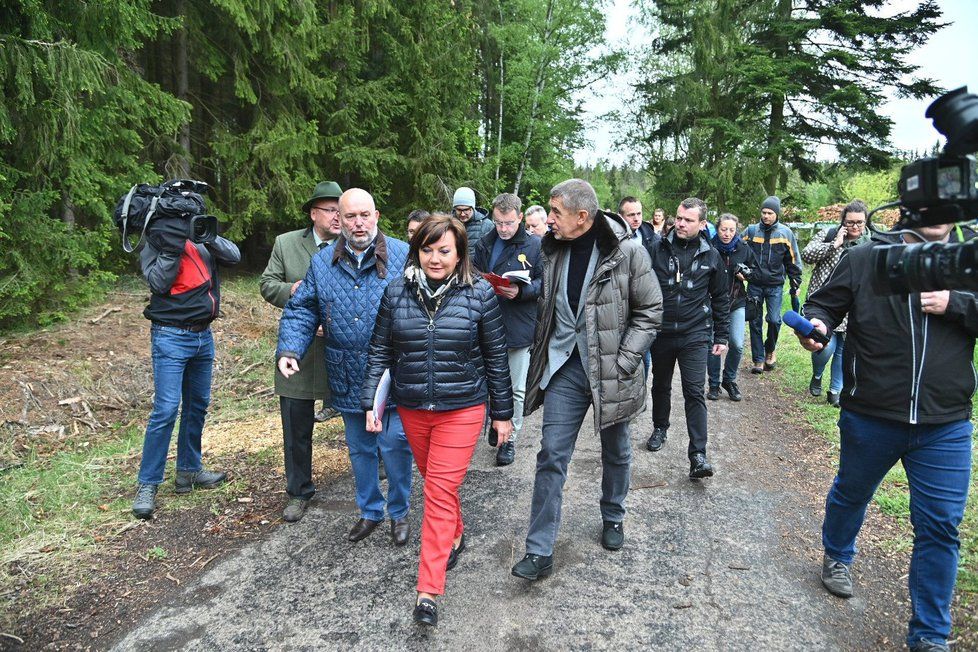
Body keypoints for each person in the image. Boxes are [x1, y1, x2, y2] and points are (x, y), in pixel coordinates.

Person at [798, 221, 976, 652]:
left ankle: (930, 636)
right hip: (871, 415)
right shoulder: (864, 259)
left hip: (945, 423)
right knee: (852, 492)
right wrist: (815, 329)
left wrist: (957, 304)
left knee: (940, 527)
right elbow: (822, 305)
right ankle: (837, 553)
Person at [361, 214, 513, 627]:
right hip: (412, 407)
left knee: (438, 491)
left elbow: (497, 359)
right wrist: (370, 403)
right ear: (417, 250)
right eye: (427, 249)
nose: (435, 258)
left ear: (460, 252)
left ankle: (428, 589)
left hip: (462, 408)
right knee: (438, 485)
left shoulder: (480, 293)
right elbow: (379, 352)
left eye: (444, 250)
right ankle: (457, 531)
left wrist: (502, 415)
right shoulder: (396, 293)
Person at [511, 179, 662, 582]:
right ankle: (539, 549)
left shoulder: (627, 250)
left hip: (611, 370)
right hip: (565, 368)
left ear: (582, 216)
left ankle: (613, 516)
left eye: (555, 212)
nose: (548, 220)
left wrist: (626, 359)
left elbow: (651, 309)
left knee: (616, 449)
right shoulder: (553, 248)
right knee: (551, 456)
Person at [276, 188, 414, 545]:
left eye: (364, 215)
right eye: (350, 216)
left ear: (377, 216)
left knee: (395, 444)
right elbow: (303, 308)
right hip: (347, 370)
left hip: (392, 372)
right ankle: (370, 511)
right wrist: (291, 347)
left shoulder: (402, 255)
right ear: (339, 218)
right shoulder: (323, 263)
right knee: (359, 446)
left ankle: (399, 512)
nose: (357, 223)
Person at [131, 215, 241, 519]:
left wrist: (208, 236)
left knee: (198, 406)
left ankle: (189, 471)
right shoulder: (156, 239)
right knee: (166, 409)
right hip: (170, 336)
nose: (184, 222)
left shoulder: (201, 237)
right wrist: (172, 247)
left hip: (203, 336)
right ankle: (148, 484)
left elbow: (233, 256)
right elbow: (158, 282)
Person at [259, 181, 342, 522]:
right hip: (301, 350)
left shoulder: (355, 245)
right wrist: (290, 290)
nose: (338, 217)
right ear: (313, 214)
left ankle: (377, 473)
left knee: (365, 416)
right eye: (330, 210)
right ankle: (299, 491)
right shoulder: (287, 243)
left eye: (341, 210)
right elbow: (267, 284)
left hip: (342, 349)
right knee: (295, 422)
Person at [644, 198, 729, 479]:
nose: (680, 223)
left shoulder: (711, 255)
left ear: (702, 224)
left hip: (695, 333)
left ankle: (698, 455)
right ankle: (660, 427)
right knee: (661, 384)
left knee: (694, 391)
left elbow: (720, 298)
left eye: (688, 220)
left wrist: (722, 335)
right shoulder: (655, 248)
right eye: (679, 218)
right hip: (662, 331)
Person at [472, 193, 542, 466]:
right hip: (488, 321)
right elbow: (474, 275)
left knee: (515, 387)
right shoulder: (485, 243)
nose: (503, 228)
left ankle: (509, 440)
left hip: (518, 323)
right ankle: (496, 422)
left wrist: (521, 290)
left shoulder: (535, 245)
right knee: (488, 383)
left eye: (509, 223)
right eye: (499, 222)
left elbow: (544, 283)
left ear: (520, 218)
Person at [800, 200, 869, 407]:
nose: (854, 227)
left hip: (853, 305)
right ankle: (818, 374)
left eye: (859, 222)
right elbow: (807, 255)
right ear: (843, 222)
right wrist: (834, 245)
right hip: (824, 304)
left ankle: (835, 391)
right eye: (850, 223)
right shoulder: (829, 234)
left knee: (843, 351)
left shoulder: (870, 243)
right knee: (825, 347)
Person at [743, 196, 802, 373]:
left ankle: (770, 350)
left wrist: (796, 282)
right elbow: (738, 250)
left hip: (775, 285)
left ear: (776, 214)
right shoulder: (751, 231)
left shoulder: (785, 233)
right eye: (764, 212)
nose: (766, 216)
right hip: (754, 284)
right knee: (754, 321)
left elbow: (793, 260)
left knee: (775, 320)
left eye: (770, 213)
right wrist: (741, 271)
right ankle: (758, 359)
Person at [706, 213, 757, 402]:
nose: (727, 234)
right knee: (714, 344)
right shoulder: (709, 247)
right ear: (717, 228)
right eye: (723, 229)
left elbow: (756, 272)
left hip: (737, 302)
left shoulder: (744, 248)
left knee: (736, 343)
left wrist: (747, 275)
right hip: (713, 303)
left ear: (736, 231)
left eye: (731, 230)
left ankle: (729, 379)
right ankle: (713, 383)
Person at [452, 186, 493, 259]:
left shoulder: (487, 225)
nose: (462, 214)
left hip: (476, 269)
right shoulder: (448, 224)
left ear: (473, 208)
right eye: (459, 210)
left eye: (466, 210)